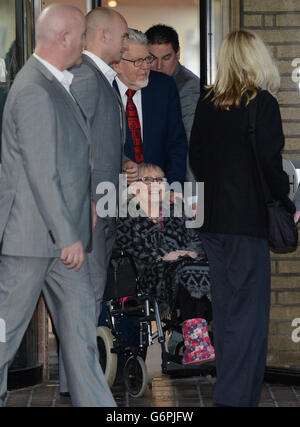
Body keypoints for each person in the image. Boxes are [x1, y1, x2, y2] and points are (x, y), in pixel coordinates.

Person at [0, 4, 116, 407]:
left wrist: (85, 210)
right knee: (5, 337)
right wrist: (69, 234)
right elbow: (41, 172)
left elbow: (69, 161)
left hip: (65, 241)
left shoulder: (57, 83)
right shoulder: (33, 88)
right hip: (34, 240)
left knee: (82, 338)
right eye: (82, 35)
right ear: (64, 38)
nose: (85, 43)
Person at [189, 30, 296, 407]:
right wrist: (287, 201)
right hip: (247, 224)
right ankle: (237, 399)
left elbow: (196, 159)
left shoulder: (207, 102)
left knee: (227, 310)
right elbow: (271, 164)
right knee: (250, 316)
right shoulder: (261, 103)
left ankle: (228, 394)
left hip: (212, 222)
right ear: (256, 59)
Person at [57, 6, 129, 397]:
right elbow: (71, 146)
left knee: (88, 300)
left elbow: (97, 145)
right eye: (122, 34)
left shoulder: (102, 79)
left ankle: (81, 385)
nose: (127, 41)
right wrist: (85, 203)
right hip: (90, 215)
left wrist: (123, 165)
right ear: (102, 36)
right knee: (83, 302)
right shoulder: (86, 77)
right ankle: (79, 388)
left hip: (101, 210)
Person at [116, 163, 214, 365]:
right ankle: (197, 342)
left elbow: (196, 242)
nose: (155, 184)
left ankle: (200, 340)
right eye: (147, 180)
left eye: (160, 180)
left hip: (185, 274)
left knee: (200, 266)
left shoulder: (176, 212)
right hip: (152, 281)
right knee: (188, 269)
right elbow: (133, 248)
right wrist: (165, 255)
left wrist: (189, 252)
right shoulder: (127, 216)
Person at [113, 28, 188, 189]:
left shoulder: (164, 86)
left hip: (159, 191)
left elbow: (176, 145)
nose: (146, 66)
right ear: (117, 65)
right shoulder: (103, 90)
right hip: (114, 192)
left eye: (147, 59)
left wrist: (174, 189)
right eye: (137, 61)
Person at [145, 24, 200, 187]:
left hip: (181, 184)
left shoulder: (188, 87)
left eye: (166, 58)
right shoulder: (147, 83)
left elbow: (189, 146)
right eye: (152, 58)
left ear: (178, 54)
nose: (159, 66)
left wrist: (190, 197)